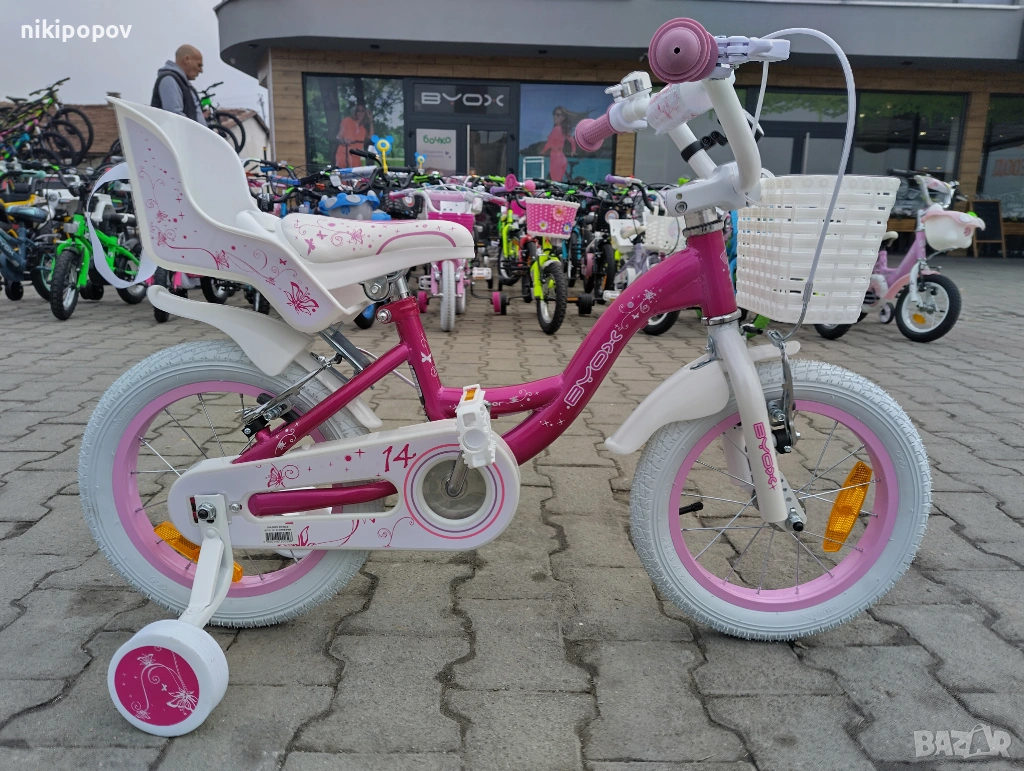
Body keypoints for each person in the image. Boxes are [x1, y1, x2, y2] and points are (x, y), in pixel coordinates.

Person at [151, 45, 204, 123]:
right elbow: (175, 117)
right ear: (187, 59)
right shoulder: (169, 80)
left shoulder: (181, 83)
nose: (201, 70)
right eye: (199, 65)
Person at [542, 106, 585, 182]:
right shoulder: (563, 129)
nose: (555, 117)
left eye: (558, 115)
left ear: (563, 118)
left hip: (555, 158)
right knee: (559, 182)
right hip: (562, 158)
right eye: (554, 114)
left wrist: (542, 151)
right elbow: (572, 141)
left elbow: (549, 144)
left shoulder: (556, 129)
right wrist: (573, 151)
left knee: (556, 183)